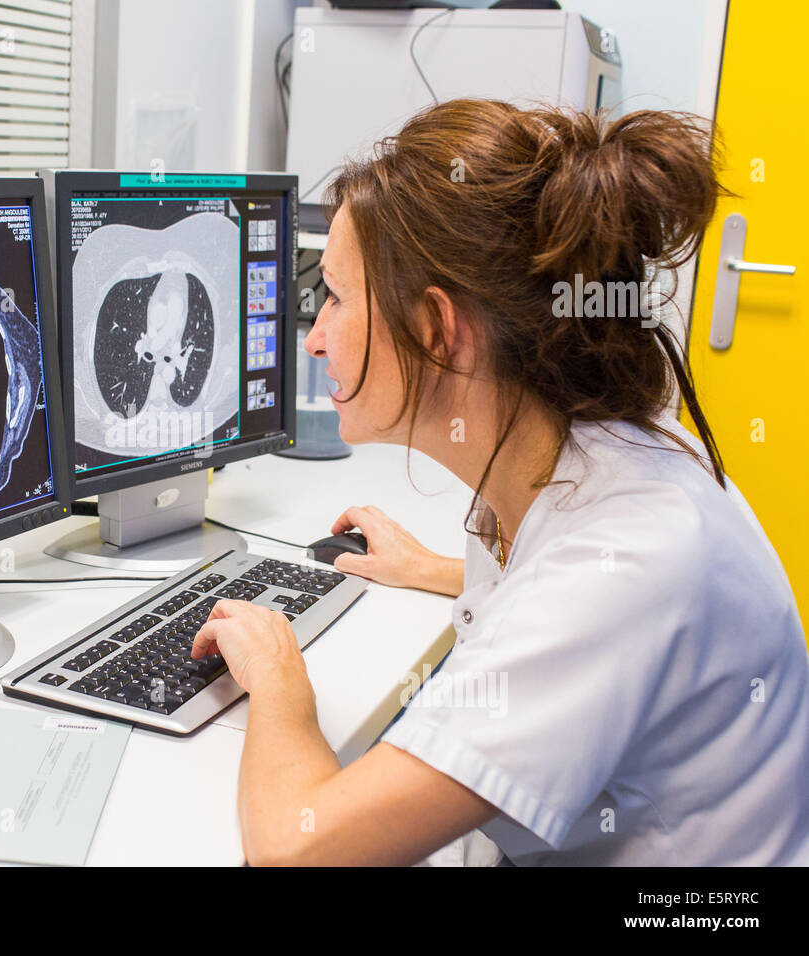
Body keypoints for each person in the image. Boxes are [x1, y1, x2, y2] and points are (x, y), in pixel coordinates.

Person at [191, 99, 809, 866]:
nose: (314, 337)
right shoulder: (589, 445)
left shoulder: (628, 564)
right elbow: (569, 583)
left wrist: (281, 683)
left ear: (437, 330)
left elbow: (293, 851)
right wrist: (434, 570)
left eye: (338, 298)